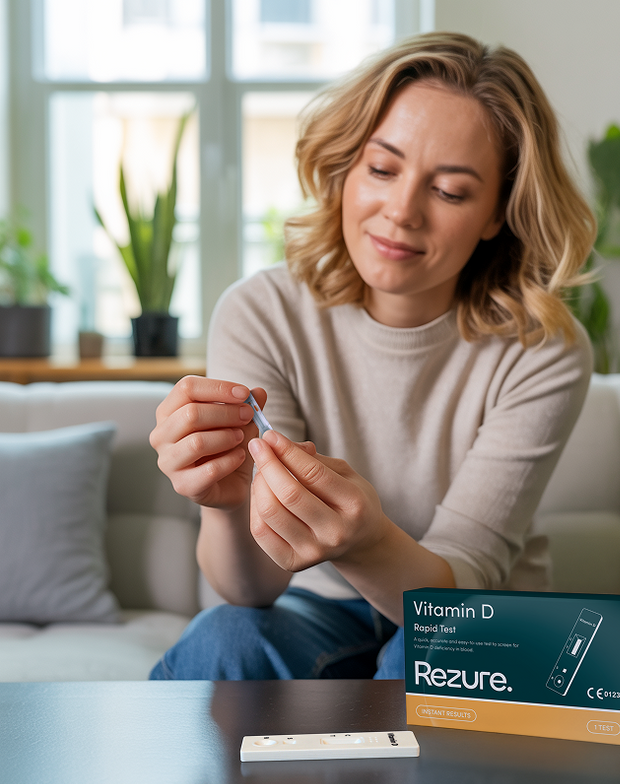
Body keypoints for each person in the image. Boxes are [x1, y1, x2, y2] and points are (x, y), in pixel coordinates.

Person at [148, 31, 596, 682]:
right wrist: (225, 503)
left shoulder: (542, 350)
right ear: (347, 168)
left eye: (449, 191)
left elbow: (458, 588)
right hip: (316, 609)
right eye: (382, 169)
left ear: (497, 213)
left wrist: (367, 540)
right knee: (223, 639)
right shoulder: (261, 312)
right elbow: (251, 592)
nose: (401, 212)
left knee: (427, 651)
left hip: (472, 620)